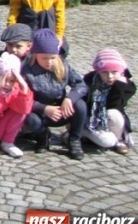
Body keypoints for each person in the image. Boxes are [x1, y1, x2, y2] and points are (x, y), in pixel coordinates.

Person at [22, 28, 88, 160]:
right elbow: (22, 98)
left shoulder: (63, 65)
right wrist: (44, 108)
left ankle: (74, 140)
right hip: (39, 111)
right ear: (35, 55)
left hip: (61, 108)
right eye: (44, 58)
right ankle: (43, 136)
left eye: (52, 57)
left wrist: (69, 98)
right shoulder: (26, 69)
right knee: (27, 116)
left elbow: (81, 85)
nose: (49, 62)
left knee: (80, 105)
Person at [82, 49, 137, 155]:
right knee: (107, 141)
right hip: (91, 120)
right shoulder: (90, 80)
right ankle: (82, 132)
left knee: (114, 114)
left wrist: (118, 86)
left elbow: (114, 105)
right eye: (105, 72)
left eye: (114, 72)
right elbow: (82, 100)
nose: (110, 76)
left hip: (110, 119)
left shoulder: (127, 86)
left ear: (121, 72)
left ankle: (118, 140)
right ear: (98, 71)